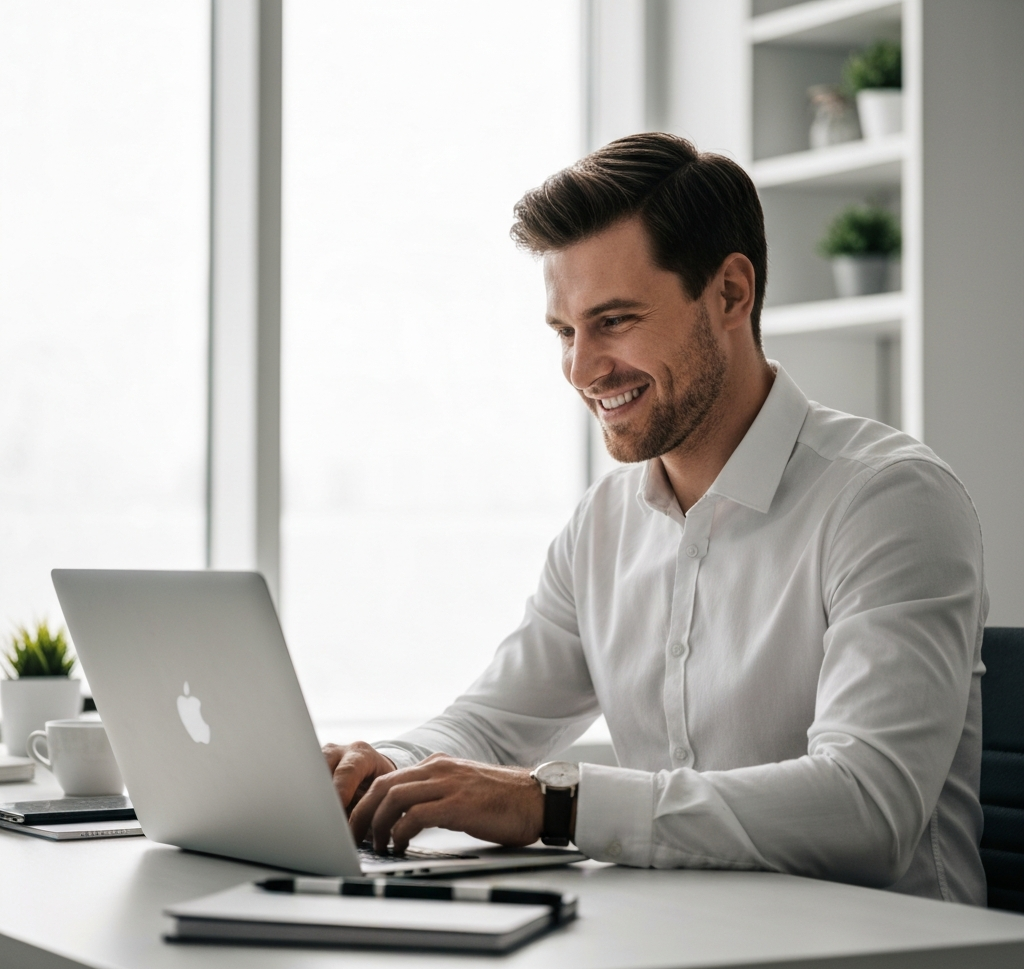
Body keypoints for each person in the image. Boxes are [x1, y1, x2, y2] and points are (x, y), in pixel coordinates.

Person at [323, 133, 987, 904]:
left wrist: (556, 804)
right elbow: (493, 723)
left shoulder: (889, 502)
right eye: (565, 332)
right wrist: (384, 767)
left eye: (614, 321)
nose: (580, 370)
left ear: (731, 294)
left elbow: (866, 809)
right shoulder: (602, 524)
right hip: (674, 953)